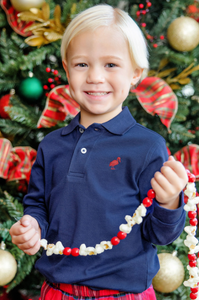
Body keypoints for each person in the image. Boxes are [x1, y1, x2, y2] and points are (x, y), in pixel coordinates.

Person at [10, 4, 188, 300]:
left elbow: (161, 235)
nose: (94, 76)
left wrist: (169, 201)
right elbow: (38, 205)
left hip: (124, 294)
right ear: (66, 69)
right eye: (82, 64)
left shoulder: (148, 147)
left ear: (135, 74)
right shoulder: (52, 145)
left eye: (111, 65)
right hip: (57, 291)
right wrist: (32, 227)